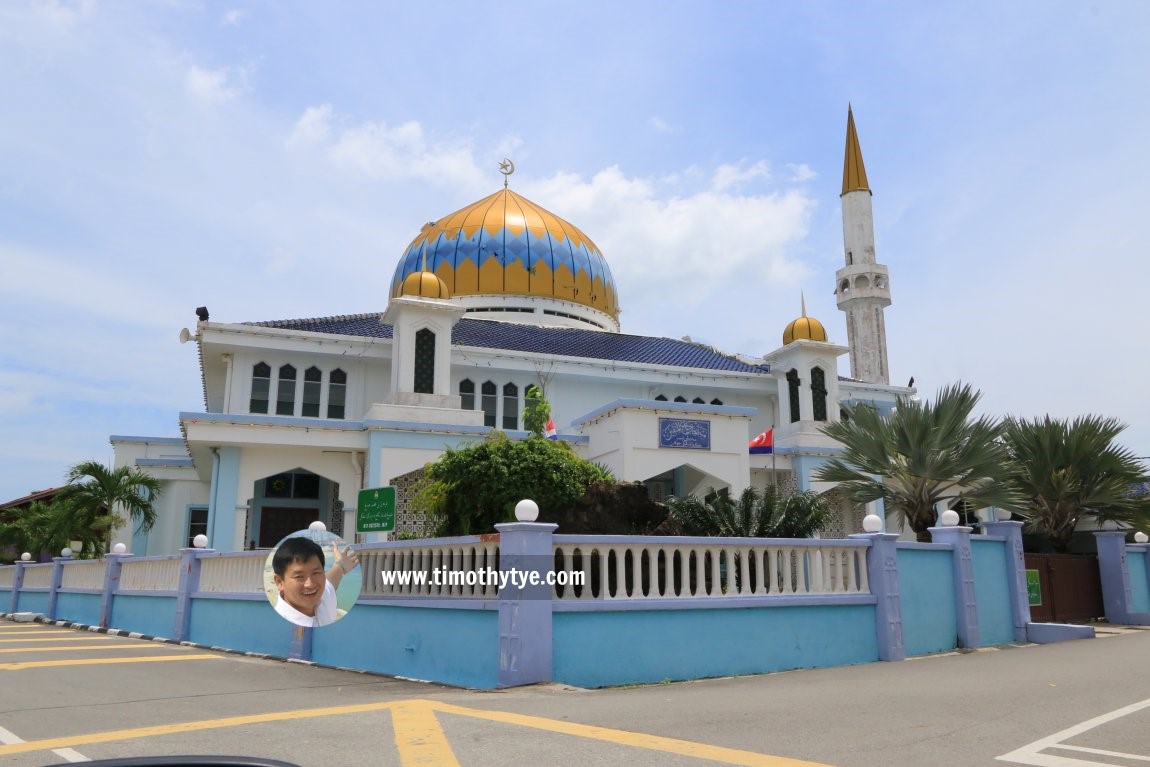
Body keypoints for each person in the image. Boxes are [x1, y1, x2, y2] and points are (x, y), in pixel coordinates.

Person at [271, 536, 359, 627]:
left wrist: (340, 565)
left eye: (316, 573)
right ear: (279, 582)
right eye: (299, 576)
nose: (310, 584)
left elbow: (331, 579)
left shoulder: (323, 596)